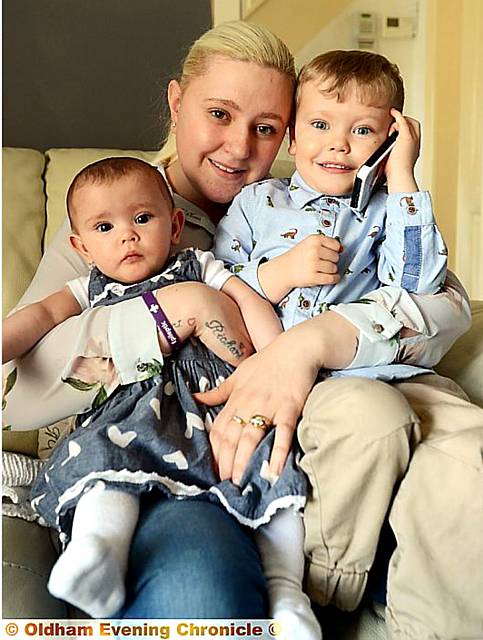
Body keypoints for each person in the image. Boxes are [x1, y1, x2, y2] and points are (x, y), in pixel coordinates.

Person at [2, 21, 478, 635]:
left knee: (461, 472)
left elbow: (445, 306)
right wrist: (179, 309)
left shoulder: (320, 196)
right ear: (177, 104)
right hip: (180, 454)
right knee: (201, 594)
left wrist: (311, 342)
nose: (239, 147)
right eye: (219, 114)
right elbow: (25, 395)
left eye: (266, 128)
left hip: (332, 425)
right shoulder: (112, 212)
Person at [4, 157, 319, 636]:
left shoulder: (200, 264)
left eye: (143, 219)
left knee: (274, 473)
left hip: (213, 407)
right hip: (131, 410)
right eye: (105, 227)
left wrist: (269, 360)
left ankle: (287, 593)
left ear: (174, 226)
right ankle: (100, 551)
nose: (127, 236)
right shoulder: (86, 288)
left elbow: (251, 301)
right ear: (81, 247)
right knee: (104, 452)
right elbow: (40, 318)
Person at [214, 49, 447, 380]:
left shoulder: (389, 211)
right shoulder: (257, 202)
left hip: (358, 377)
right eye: (320, 124)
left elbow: (420, 284)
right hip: (262, 375)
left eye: (363, 130)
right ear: (293, 137)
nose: (339, 143)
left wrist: (401, 176)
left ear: (390, 141)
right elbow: (218, 286)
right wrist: (282, 273)